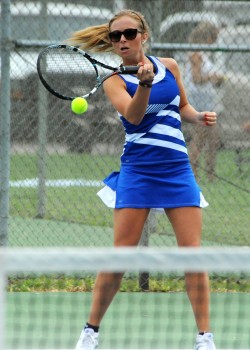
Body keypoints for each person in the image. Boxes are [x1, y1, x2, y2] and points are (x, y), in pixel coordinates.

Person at [67, 10, 217, 350]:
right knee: (121, 256)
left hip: (177, 170)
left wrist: (198, 117)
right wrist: (145, 84)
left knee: (193, 255)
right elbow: (134, 117)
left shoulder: (171, 66)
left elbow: (182, 107)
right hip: (138, 170)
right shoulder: (114, 80)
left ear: (143, 35)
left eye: (129, 33)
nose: (122, 40)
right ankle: (90, 331)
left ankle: (205, 338)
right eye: (116, 36)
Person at [185, 22, 225, 181]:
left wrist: (215, 79)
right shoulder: (196, 54)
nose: (214, 41)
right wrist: (212, 77)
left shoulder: (202, 54)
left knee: (213, 139)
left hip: (208, 101)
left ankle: (211, 175)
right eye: (213, 38)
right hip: (199, 102)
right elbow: (196, 79)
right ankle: (193, 175)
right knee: (199, 139)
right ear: (207, 37)